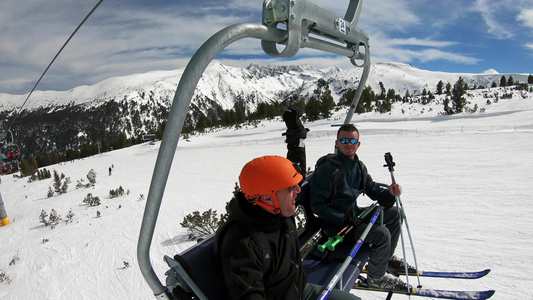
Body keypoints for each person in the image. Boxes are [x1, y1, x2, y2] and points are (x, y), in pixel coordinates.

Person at [214, 155, 361, 300]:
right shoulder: (242, 244)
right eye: (290, 187)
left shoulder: (280, 216)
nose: (298, 190)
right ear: (267, 198)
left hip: (299, 290)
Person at [310, 124, 413, 291]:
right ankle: (376, 278)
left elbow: (373, 190)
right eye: (344, 140)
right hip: (337, 226)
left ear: (358, 144)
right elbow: (318, 206)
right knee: (381, 234)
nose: (348, 144)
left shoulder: (358, 166)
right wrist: (343, 219)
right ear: (337, 143)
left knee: (395, 214)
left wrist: (389, 194)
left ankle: (384, 260)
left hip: (354, 217)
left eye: (352, 140)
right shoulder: (328, 169)